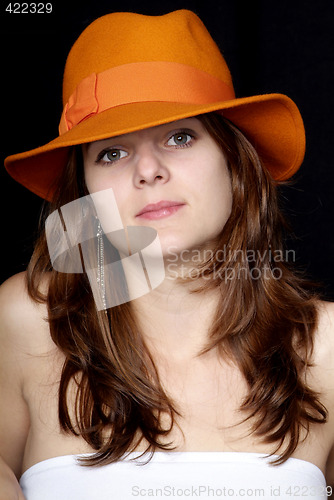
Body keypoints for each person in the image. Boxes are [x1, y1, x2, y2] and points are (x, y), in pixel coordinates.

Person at [1, 9, 334, 500]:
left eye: (180, 137)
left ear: (235, 163)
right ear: (85, 192)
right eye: (112, 152)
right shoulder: (28, 318)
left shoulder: (326, 347)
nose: (148, 170)